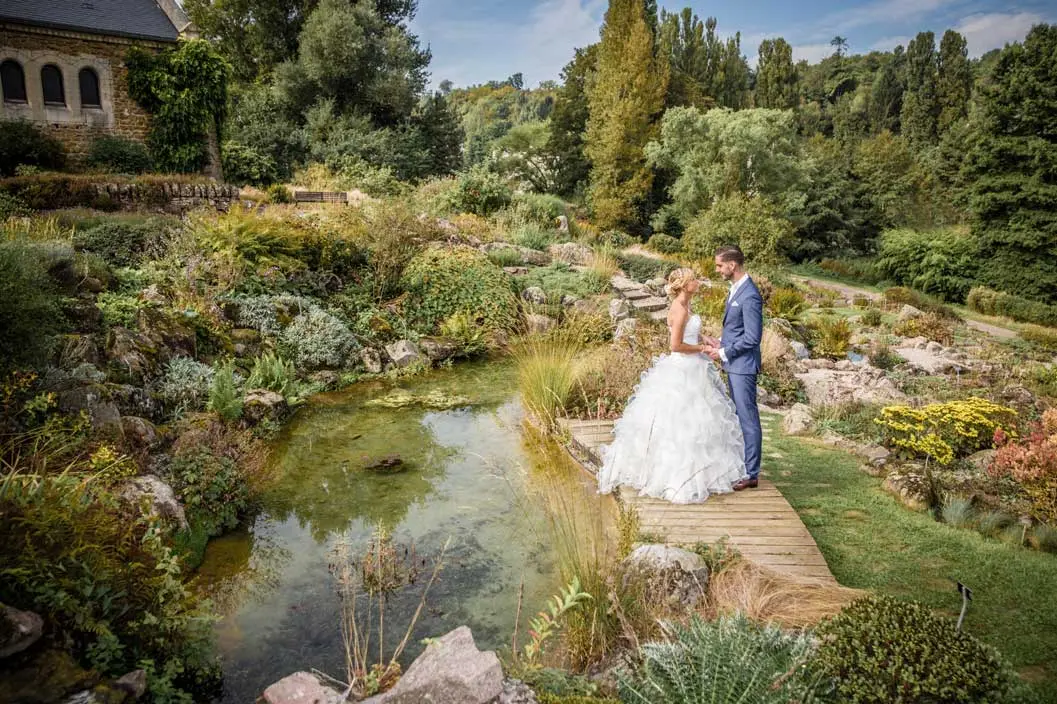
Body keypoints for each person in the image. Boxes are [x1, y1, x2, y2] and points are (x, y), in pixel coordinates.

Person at [597, 268, 748, 504]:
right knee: (680, 424)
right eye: (693, 279)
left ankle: (706, 473)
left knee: (701, 423)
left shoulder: (687, 305)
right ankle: (676, 478)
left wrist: (704, 339)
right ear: (684, 285)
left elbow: (690, 333)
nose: (698, 282)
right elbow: (675, 346)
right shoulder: (678, 308)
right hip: (682, 369)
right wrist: (701, 349)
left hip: (695, 368)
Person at [703, 246, 763, 491]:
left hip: (743, 367)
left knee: (748, 419)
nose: (717, 270)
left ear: (732, 265)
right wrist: (720, 342)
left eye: (719, 266)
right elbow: (737, 330)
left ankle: (751, 473)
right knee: (738, 416)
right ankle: (743, 464)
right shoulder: (736, 289)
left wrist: (723, 352)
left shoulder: (750, 295)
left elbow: (752, 338)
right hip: (734, 364)